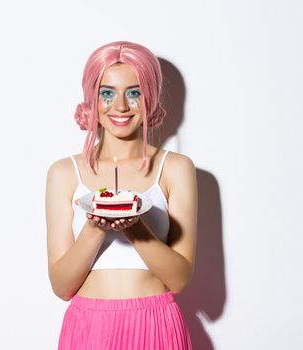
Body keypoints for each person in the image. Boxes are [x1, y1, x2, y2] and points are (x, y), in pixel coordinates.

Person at [45, 41, 197, 350]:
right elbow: (62, 286)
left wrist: (134, 225)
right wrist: (95, 227)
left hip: (156, 325)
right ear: (92, 99)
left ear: (149, 97)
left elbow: (179, 279)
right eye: (107, 93)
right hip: (89, 329)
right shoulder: (64, 173)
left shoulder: (175, 169)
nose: (121, 106)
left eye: (134, 92)